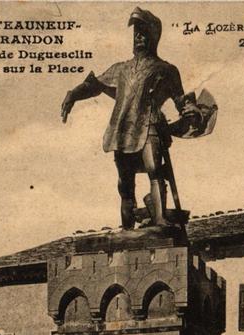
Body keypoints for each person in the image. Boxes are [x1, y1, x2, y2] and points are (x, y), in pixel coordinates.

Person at [61, 7, 204, 230]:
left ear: (154, 36)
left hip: (152, 125)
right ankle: (127, 228)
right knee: (125, 185)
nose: (138, 37)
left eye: (143, 32)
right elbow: (95, 85)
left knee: (155, 170)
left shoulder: (166, 69)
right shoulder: (120, 69)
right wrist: (73, 94)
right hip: (123, 129)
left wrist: (192, 110)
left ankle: (159, 220)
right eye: (136, 32)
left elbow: (181, 99)